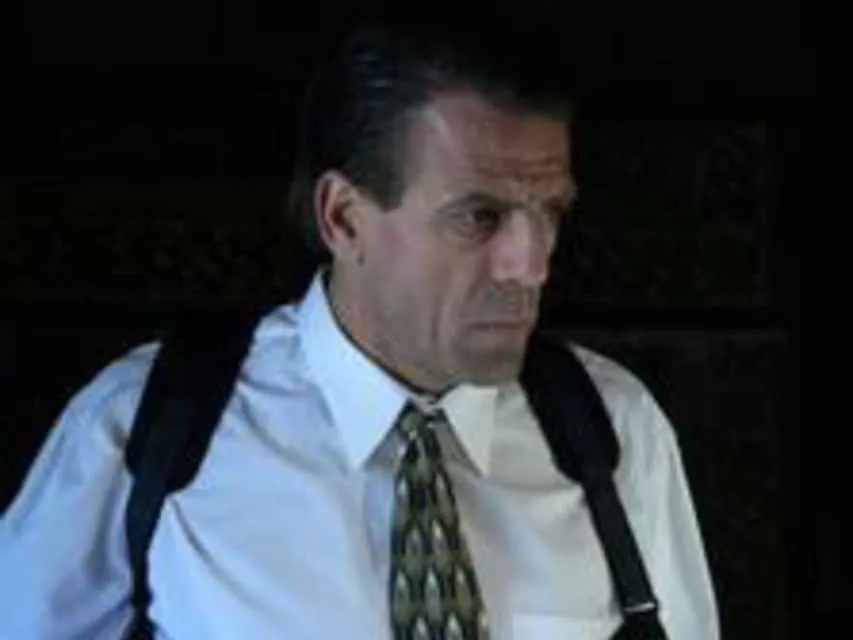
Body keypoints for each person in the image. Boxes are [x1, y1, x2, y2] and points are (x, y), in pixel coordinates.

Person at [0, 23, 719, 640]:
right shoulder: (144, 427)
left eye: (551, 213)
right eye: (480, 217)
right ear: (343, 219)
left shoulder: (616, 432)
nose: (531, 264)